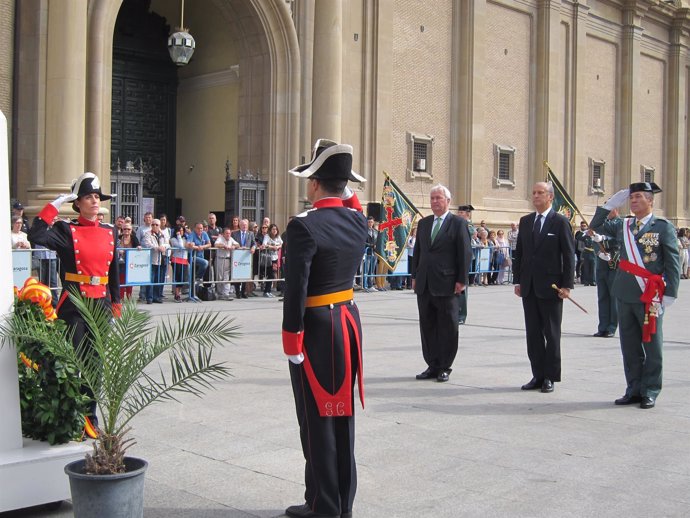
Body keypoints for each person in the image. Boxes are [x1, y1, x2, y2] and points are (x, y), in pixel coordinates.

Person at [282, 139, 367, 518]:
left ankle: (323, 505)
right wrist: (341, 181)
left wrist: (291, 338)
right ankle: (341, 501)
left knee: (316, 419)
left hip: (315, 329)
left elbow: (296, 288)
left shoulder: (304, 226)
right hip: (346, 322)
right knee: (341, 415)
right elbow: (351, 202)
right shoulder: (356, 220)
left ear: (315, 183)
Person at [27, 172, 121, 427]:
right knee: (75, 359)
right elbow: (35, 235)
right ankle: (72, 414)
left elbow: (113, 271)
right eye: (88, 197)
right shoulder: (65, 230)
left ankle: (90, 417)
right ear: (77, 203)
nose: (93, 201)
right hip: (75, 303)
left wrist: (116, 302)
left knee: (95, 362)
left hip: (100, 301)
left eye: (96, 197)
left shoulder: (110, 231)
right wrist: (55, 204)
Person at [590, 182, 680, 409]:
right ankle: (633, 388)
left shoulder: (663, 227)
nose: (634, 201)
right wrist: (610, 204)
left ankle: (650, 390)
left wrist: (670, 294)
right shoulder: (624, 225)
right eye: (631, 198)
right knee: (629, 346)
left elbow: (672, 262)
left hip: (650, 295)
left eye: (639, 197)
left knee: (652, 345)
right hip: (624, 292)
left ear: (650, 201)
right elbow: (596, 227)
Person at [513, 181, 575, 394]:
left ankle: (550, 376)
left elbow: (568, 255)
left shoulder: (559, 222)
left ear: (550, 197)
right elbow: (519, 252)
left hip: (552, 287)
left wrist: (567, 285)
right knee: (533, 333)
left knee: (551, 333)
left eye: (540, 193)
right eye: (533, 192)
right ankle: (537, 374)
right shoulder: (526, 221)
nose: (536, 196)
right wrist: (518, 280)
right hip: (529, 286)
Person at [412, 184, 472, 383]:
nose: (435, 201)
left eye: (438, 198)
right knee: (427, 325)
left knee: (447, 326)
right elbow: (418, 253)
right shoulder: (424, 223)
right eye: (432, 198)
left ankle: (445, 366)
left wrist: (462, 280)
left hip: (447, 283)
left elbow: (464, 253)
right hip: (425, 283)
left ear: (448, 201)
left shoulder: (458, 223)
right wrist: (415, 276)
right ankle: (432, 364)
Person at [590, 209, 621, 338]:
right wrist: (599, 252)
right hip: (602, 263)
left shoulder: (621, 223)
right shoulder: (601, 224)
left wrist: (604, 239)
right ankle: (602, 326)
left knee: (613, 297)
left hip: (614, 262)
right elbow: (594, 239)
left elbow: (619, 240)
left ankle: (611, 327)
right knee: (602, 296)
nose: (608, 211)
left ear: (616, 209)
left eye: (610, 208)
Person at [142, 219, 169, 304]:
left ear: (159, 225)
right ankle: (149, 298)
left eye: (156, 225)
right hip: (151, 260)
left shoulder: (162, 234)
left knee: (159, 279)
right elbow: (147, 243)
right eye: (153, 224)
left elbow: (168, 243)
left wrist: (163, 246)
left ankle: (157, 297)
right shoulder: (148, 233)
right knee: (151, 279)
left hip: (161, 259)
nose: (154, 226)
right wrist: (157, 248)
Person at [456, 204, 475, 324]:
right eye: (458, 212)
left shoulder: (469, 225)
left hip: (464, 258)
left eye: (461, 213)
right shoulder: (458, 224)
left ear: (467, 214)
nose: (459, 214)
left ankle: (461, 315)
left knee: (462, 286)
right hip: (456, 257)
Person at [231, 219, 256, 299]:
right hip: (237, 257)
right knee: (237, 274)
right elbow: (232, 243)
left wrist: (253, 247)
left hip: (246, 257)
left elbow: (253, 242)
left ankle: (243, 292)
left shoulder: (251, 233)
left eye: (246, 225)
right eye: (243, 225)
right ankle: (237, 292)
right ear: (240, 225)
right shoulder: (234, 234)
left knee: (245, 274)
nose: (244, 226)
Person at [117, 222, 140, 300]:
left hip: (131, 263)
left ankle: (129, 297)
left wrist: (138, 247)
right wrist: (118, 251)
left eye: (128, 229)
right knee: (121, 280)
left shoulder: (134, 238)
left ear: (131, 230)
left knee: (130, 280)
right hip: (120, 263)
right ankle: (121, 298)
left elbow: (138, 245)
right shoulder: (118, 237)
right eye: (125, 229)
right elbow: (113, 246)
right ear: (122, 230)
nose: (126, 230)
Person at [214, 227, 238, 300]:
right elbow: (216, 244)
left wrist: (234, 246)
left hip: (227, 259)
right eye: (227, 233)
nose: (228, 235)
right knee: (220, 276)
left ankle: (226, 294)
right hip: (220, 259)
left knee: (227, 277)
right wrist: (223, 246)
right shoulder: (220, 238)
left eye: (229, 233)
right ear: (223, 234)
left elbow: (238, 245)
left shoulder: (231, 239)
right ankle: (220, 293)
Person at [169, 224, 190, 302]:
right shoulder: (173, 239)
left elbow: (188, 246)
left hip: (184, 260)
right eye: (179, 230)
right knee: (178, 278)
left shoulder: (185, 238)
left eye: (182, 230)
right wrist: (178, 236)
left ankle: (179, 293)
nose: (180, 232)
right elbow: (181, 246)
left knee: (183, 278)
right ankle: (177, 294)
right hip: (176, 260)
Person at [262, 223, 282, 297]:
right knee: (270, 274)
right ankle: (266, 291)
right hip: (268, 258)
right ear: (270, 230)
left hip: (275, 258)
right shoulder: (267, 236)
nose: (275, 231)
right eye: (273, 229)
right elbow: (264, 244)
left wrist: (278, 246)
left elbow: (281, 244)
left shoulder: (278, 237)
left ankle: (268, 291)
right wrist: (272, 247)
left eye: (276, 229)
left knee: (273, 274)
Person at [363, 216, 378, 292]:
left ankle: (370, 285)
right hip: (367, 252)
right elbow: (363, 242)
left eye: (372, 222)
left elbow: (378, 241)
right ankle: (365, 285)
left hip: (374, 253)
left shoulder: (375, 231)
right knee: (366, 270)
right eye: (369, 222)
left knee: (372, 270)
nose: (370, 223)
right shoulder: (364, 231)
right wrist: (370, 245)